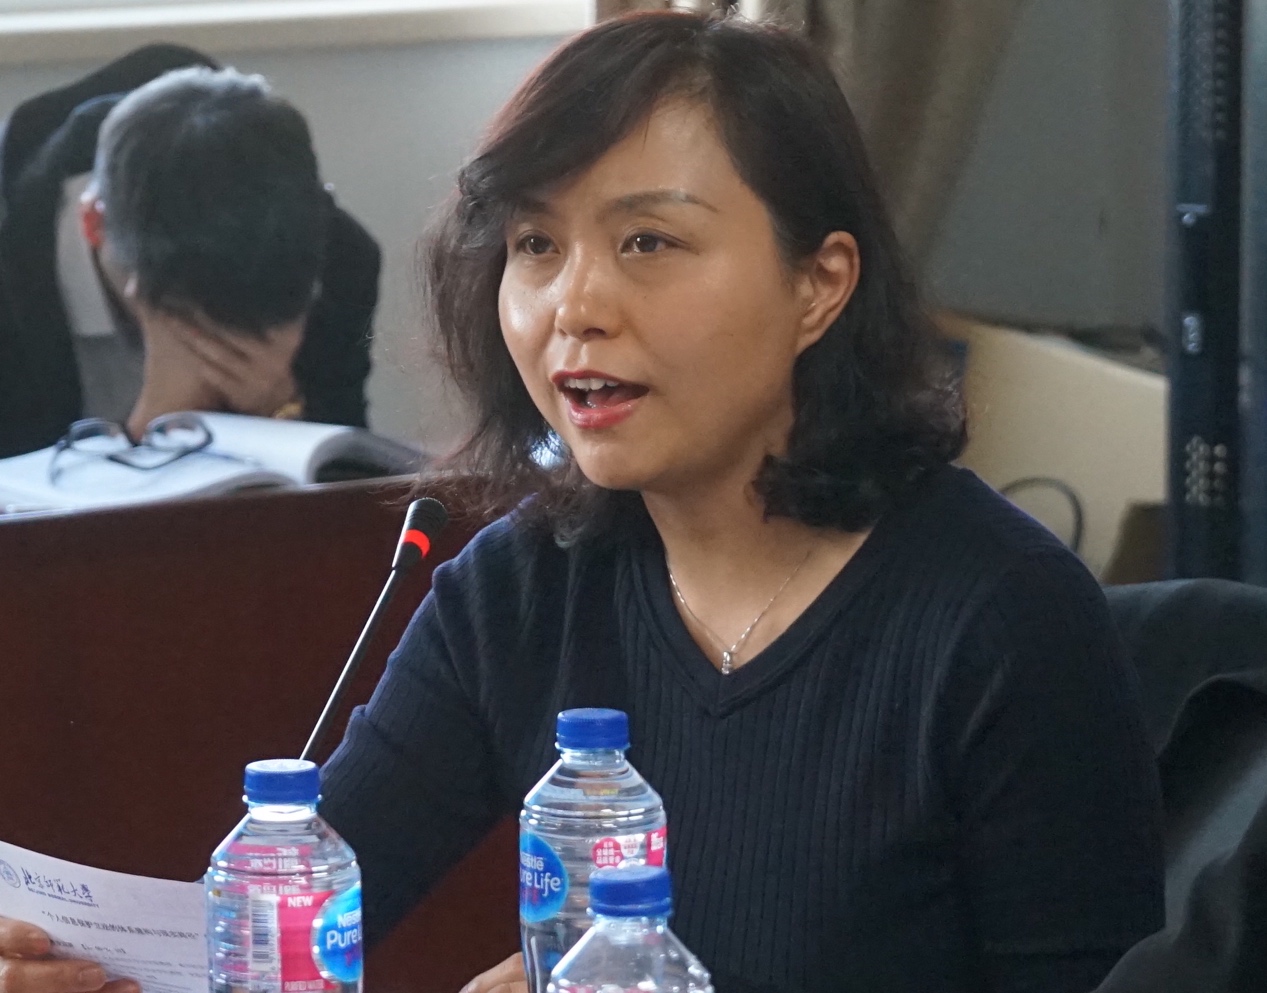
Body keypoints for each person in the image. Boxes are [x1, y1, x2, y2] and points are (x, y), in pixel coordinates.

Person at [0, 12, 1164, 993]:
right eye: (534, 244)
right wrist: (89, 974)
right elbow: (283, 929)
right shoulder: (517, 592)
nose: (574, 306)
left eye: (648, 241)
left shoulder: (1002, 620)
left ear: (819, 285)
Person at [0, 46, 381, 459]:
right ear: (94, 224)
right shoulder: (13, 275)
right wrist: (150, 425)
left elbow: (354, 473)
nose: (213, 349)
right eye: (187, 323)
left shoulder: (337, 262)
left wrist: (286, 410)